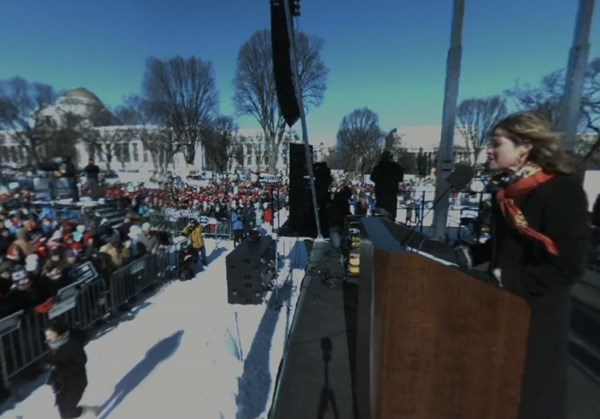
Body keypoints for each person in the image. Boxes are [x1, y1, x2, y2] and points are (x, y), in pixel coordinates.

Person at [454, 112, 590, 419]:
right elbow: (509, 244)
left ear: (524, 148)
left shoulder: (561, 192)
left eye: (497, 143)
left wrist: (506, 278)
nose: (489, 149)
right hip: (505, 305)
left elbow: (568, 267)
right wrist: (470, 256)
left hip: (538, 313)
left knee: (530, 396)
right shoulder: (511, 190)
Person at [45, 320, 101, 418]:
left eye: (51, 335)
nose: (48, 338)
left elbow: (81, 361)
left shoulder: (71, 344)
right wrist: (50, 365)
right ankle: (90, 410)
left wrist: (61, 369)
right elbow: (56, 359)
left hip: (75, 381)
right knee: (62, 409)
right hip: (61, 382)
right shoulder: (53, 344)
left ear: (59, 333)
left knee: (67, 410)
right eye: (47, 335)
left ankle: (89, 410)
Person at [370, 151, 404, 221]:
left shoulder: (378, 167)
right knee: (390, 214)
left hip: (381, 194)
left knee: (381, 215)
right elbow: (400, 178)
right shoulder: (395, 167)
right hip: (390, 194)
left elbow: (373, 178)